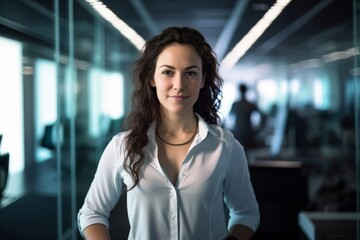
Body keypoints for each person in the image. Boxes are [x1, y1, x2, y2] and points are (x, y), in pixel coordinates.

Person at [77, 26, 260, 240]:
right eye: (168, 72)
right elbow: (92, 213)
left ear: (202, 80)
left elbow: (246, 213)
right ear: (152, 78)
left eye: (190, 73)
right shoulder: (123, 146)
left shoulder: (225, 147)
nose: (179, 85)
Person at [229, 84, 265, 149]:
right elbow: (263, 116)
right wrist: (259, 129)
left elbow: (230, 117)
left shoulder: (236, 104)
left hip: (238, 132)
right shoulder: (250, 104)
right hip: (248, 132)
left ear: (239, 91)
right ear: (246, 91)